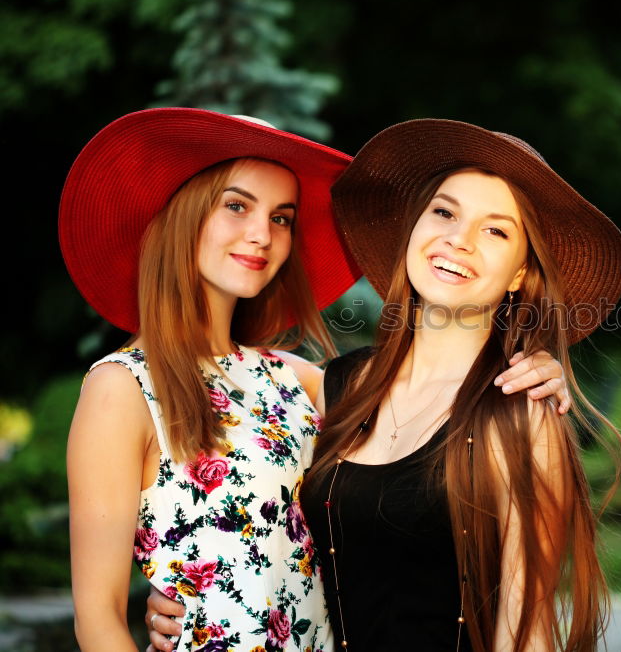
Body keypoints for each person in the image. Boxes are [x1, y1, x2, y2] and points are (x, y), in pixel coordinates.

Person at [63, 109, 569, 652]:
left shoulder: (307, 385)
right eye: (237, 206)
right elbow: (98, 623)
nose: (260, 234)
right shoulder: (122, 390)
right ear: (180, 215)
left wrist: (537, 368)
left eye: (282, 218)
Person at [310, 120, 621, 650]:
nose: (458, 239)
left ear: (521, 273)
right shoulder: (333, 387)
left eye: (495, 230)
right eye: (444, 212)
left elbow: (526, 632)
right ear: (414, 227)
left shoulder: (521, 414)